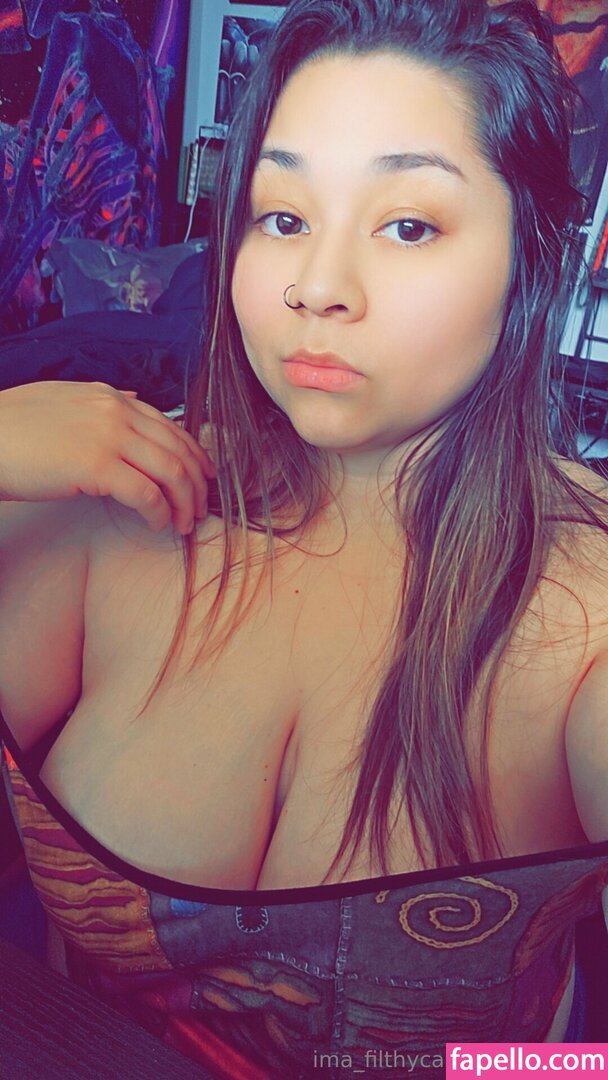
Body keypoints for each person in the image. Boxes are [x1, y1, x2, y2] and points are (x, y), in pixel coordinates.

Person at [1, 0, 608, 1075]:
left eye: (407, 225)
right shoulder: (118, 497)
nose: (314, 288)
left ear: (529, 256)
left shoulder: (586, 606)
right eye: (281, 217)